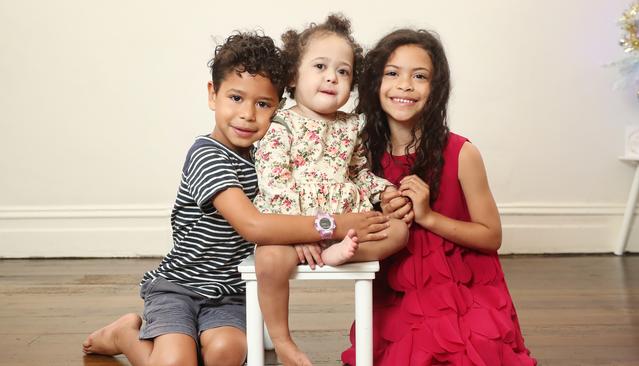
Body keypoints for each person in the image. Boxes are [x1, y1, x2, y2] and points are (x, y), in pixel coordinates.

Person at [81, 31, 388, 366]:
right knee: (174, 363)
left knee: (227, 353)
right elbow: (255, 226)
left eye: (263, 104)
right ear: (213, 95)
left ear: (279, 107)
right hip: (181, 286)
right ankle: (125, 333)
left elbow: (291, 202)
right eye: (236, 98)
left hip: (232, 292)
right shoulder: (207, 155)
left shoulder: (268, 153)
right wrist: (331, 225)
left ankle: (187, 340)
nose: (247, 114)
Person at [341, 29, 537, 365]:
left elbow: (492, 236)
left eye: (419, 76)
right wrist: (382, 208)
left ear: (436, 89)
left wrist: (428, 216)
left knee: (472, 353)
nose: (405, 85)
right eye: (392, 73)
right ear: (374, 83)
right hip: (399, 290)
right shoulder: (360, 155)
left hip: (464, 288)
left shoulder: (462, 153)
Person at [252, 14, 410, 366]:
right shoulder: (281, 124)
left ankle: (337, 252)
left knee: (398, 231)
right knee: (269, 259)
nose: (331, 77)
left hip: (346, 226)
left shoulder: (352, 126)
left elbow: (358, 174)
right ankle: (283, 341)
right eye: (321, 66)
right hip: (294, 226)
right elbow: (276, 180)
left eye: (343, 72)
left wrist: (384, 193)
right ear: (294, 75)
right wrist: (298, 231)